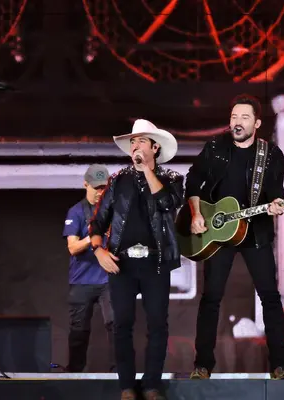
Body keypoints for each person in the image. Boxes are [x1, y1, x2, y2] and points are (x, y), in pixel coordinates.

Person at [185, 94, 284, 380]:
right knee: (211, 298)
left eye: (244, 117)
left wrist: (276, 205)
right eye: (234, 117)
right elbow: (193, 180)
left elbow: (276, 193)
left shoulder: (270, 154)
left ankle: (280, 364)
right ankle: (202, 365)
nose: (237, 122)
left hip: (255, 232)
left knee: (270, 297)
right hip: (217, 233)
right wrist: (196, 214)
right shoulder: (215, 147)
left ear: (256, 123)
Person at [89, 119, 183, 400]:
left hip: (156, 263)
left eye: (141, 141)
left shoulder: (171, 178)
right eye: (132, 142)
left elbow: (169, 203)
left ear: (155, 147)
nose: (135, 146)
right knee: (122, 324)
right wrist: (98, 251)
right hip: (123, 263)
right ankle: (127, 386)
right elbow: (97, 223)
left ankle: (152, 385)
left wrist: (147, 171)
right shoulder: (118, 181)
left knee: (157, 324)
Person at [62, 164, 114, 372]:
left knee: (116, 325)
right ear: (85, 184)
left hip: (109, 279)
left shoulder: (114, 210)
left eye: (103, 188)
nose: (99, 192)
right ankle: (75, 371)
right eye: (96, 187)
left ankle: (119, 372)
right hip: (82, 280)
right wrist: (94, 237)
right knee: (79, 329)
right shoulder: (76, 211)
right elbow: (73, 248)